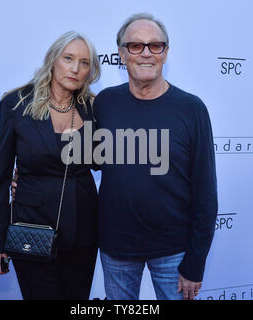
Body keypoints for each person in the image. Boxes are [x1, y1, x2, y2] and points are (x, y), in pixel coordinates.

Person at [93, 13, 218, 300]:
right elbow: (85, 158)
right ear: (122, 54)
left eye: (155, 45)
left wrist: (195, 263)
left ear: (165, 53)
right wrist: (28, 176)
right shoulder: (105, 103)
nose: (146, 53)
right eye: (136, 46)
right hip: (116, 249)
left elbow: (206, 191)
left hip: (175, 252)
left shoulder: (191, 109)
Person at [0, 31, 101, 300]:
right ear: (53, 60)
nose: (75, 68)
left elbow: (104, 161)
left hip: (84, 231)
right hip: (32, 229)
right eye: (68, 58)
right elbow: (0, 176)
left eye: (84, 62)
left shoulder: (94, 108)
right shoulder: (17, 104)